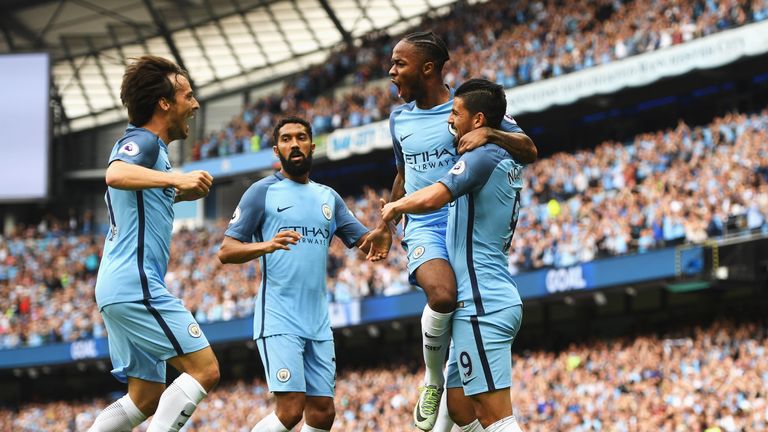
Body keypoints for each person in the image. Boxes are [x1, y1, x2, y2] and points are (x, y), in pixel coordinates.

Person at [387, 30, 536, 430]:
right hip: (437, 240)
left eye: (400, 63)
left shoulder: (478, 140)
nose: (391, 71)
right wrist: (392, 218)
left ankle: (434, 378)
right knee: (459, 408)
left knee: (493, 416)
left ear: (429, 68)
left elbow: (528, 148)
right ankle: (433, 381)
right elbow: (404, 172)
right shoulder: (401, 119)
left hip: (482, 295)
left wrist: (392, 210)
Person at [218, 116, 393, 432]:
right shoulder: (261, 193)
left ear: (312, 146)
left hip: (318, 321)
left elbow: (363, 240)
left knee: (323, 412)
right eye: (286, 139)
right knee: (290, 410)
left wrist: (381, 232)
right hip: (279, 316)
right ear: (276, 149)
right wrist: (267, 245)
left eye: (301, 137)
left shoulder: (328, 197)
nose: (294, 144)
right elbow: (226, 251)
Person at [88, 56, 220, 432]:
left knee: (145, 397)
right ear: (164, 102)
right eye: (188, 96)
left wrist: (177, 192)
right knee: (205, 369)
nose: (194, 105)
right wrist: (176, 180)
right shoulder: (142, 141)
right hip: (135, 284)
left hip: (118, 286)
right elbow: (114, 174)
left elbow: (141, 201)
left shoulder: (153, 158)